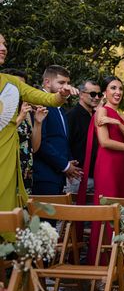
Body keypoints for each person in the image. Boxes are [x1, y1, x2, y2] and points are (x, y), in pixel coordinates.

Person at [0, 35, 77, 211]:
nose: (4, 47)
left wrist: (61, 95)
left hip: (7, 163)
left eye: (4, 43)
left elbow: (46, 98)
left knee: (7, 219)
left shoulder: (12, 83)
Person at [77, 76, 124, 265]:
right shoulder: (101, 110)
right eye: (113, 88)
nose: (117, 92)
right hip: (107, 165)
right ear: (105, 92)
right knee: (106, 211)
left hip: (123, 167)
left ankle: (120, 264)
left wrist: (117, 123)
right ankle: (102, 265)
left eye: (120, 88)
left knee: (121, 212)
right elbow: (105, 142)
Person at [31, 65, 83, 195]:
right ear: (47, 82)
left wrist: (69, 162)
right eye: (61, 82)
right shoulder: (40, 103)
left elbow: (60, 139)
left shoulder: (60, 108)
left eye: (67, 83)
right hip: (44, 176)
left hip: (57, 175)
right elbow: (40, 142)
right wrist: (65, 165)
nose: (66, 86)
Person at [3, 69, 48, 195]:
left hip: (25, 171)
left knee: (23, 212)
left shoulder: (26, 111)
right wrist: (19, 118)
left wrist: (38, 123)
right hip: (6, 168)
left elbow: (33, 147)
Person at [66, 79, 102, 195]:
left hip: (97, 177)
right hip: (77, 178)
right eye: (92, 94)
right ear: (81, 94)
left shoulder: (97, 117)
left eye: (99, 94)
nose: (96, 97)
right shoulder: (71, 116)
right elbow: (64, 144)